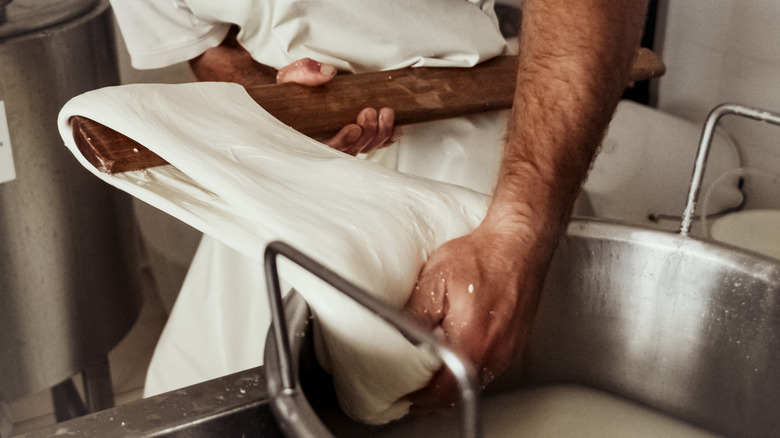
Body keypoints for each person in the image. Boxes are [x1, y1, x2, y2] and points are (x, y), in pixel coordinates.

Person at [110, 0, 648, 412]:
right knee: (201, 397)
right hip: (286, 181)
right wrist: (274, 102)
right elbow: (207, 48)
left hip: (488, 176)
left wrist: (517, 231)